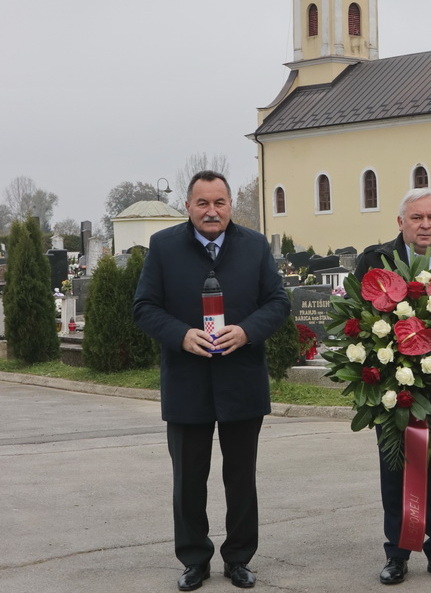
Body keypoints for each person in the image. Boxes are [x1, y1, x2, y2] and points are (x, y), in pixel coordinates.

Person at [133, 170, 290, 591]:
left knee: (241, 477)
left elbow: (277, 302)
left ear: (230, 205)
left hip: (241, 381)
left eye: (219, 203)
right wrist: (181, 336)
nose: (211, 211)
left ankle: (239, 559)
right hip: (187, 382)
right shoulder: (164, 247)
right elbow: (144, 307)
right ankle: (194, 560)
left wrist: (247, 330)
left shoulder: (254, 246)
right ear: (188, 206)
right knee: (188, 478)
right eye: (202, 203)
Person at [354, 187, 431, 585]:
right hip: (395, 385)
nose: (425, 225)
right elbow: (358, 320)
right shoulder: (373, 261)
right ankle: (397, 553)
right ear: (401, 222)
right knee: (396, 468)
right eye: (416, 218)